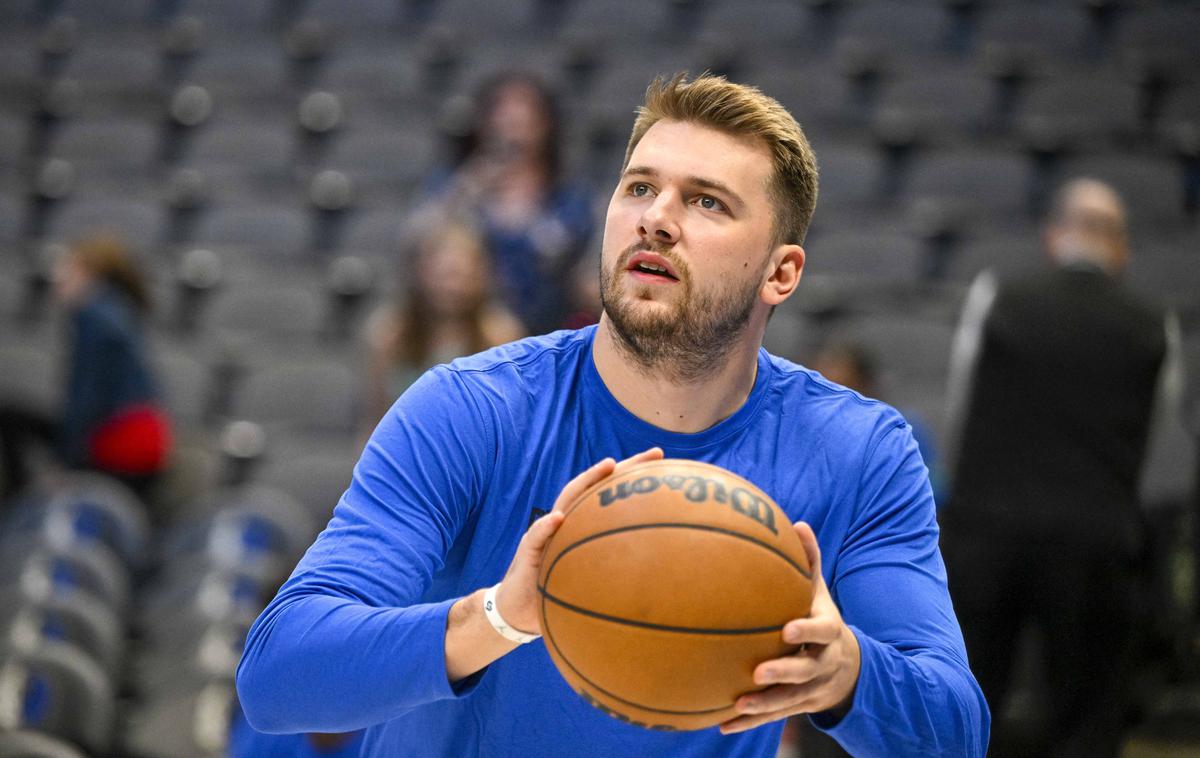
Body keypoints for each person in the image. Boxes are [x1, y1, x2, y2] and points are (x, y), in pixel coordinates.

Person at [237, 73, 989, 757]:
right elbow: (277, 676)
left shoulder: (859, 452)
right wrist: (502, 616)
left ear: (781, 273)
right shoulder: (470, 409)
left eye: (706, 201)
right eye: (638, 189)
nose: (657, 219)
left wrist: (848, 675)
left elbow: (958, 735)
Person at [941, 178, 1179, 757]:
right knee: (1087, 717)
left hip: (986, 535)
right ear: (1119, 247)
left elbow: (958, 413)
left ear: (1055, 237)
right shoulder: (1154, 325)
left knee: (967, 704)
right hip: (1094, 543)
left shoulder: (996, 298)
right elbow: (1163, 455)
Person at [0, 235, 172, 502]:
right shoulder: (116, 309)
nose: (58, 277)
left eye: (68, 269)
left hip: (123, 441)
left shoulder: (94, 316)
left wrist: (65, 462)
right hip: (144, 438)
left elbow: (86, 396)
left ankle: (18, 501)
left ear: (91, 275)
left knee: (9, 413)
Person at [425, 72, 595, 334]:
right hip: (475, 329)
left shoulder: (567, 195)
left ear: (545, 125)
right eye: (501, 112)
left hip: (551, 324)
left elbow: (578, 265)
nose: (512, 123)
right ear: (482, 123)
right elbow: (422, 242)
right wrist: (470, 185)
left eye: (524, 114)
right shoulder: (457, 184)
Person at [360, 216, 524, 432]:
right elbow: (375, 420)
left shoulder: (502, 336)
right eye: (444, 275)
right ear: (421, 272)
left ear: (481, 275)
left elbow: (516, 422)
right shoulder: (389, 334)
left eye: (461, 275)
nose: (452, 287)